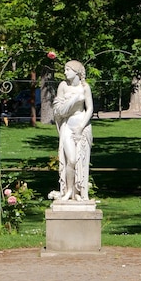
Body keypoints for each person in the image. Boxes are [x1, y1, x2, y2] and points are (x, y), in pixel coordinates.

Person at [51, 60, 94, 201]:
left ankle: (78, 192)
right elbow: (58, 111)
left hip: (81, 126)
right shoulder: (63, 86)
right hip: (67, 126)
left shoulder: (85, 87)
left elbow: (90, 109)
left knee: (81, 160)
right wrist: (74, 100)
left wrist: (81, 127)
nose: (65, 72)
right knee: (72, 159)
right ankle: (68, 190)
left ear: (76, 72)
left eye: (67, 70)